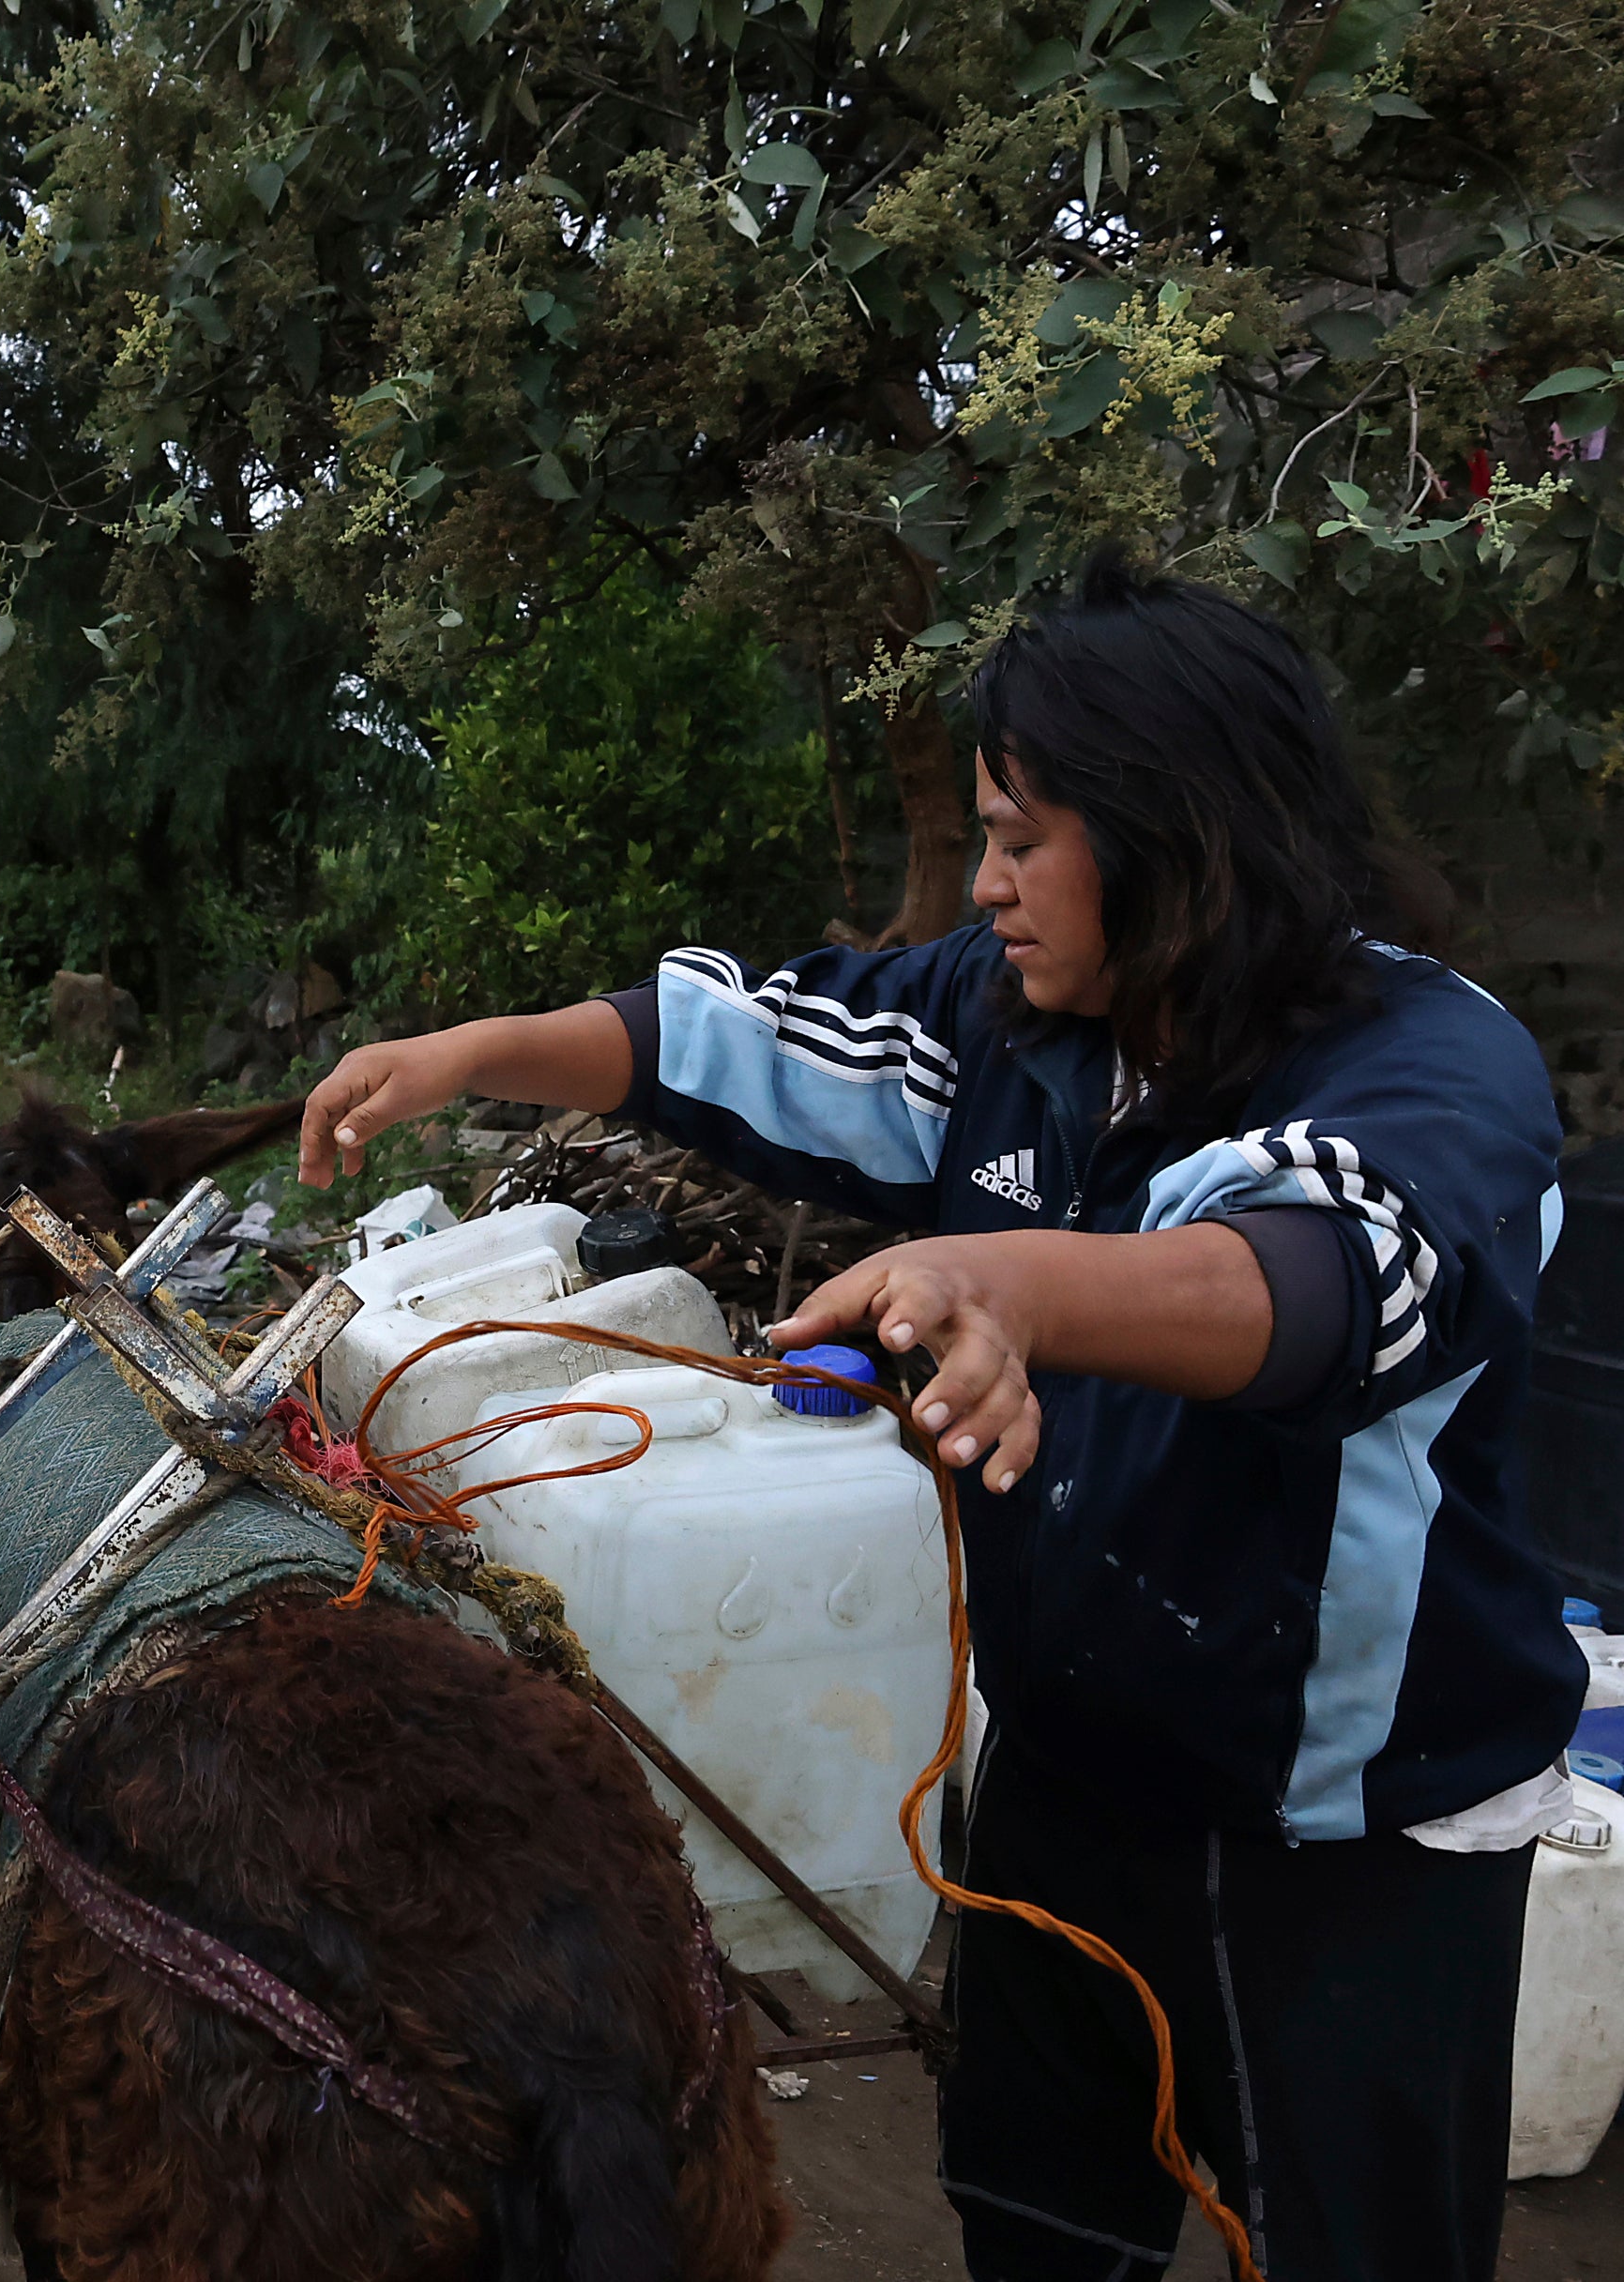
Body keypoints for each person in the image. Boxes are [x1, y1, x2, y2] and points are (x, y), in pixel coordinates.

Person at [301, 557, 1577, 2280]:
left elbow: (1313, 1284)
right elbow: (743, 1039)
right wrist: (473, 1052)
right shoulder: (1017, 1023)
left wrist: (1021, 1286)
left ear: (1179, 833)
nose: (985, 887)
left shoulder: (1434, 1067)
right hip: (1069, 1773)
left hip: (1350, 1833)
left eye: (1020, 838)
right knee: (1042, 2223)